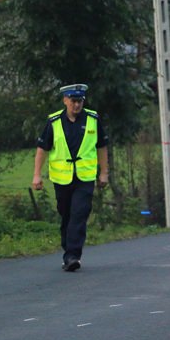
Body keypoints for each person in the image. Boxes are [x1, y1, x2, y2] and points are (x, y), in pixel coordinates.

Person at [32, 84, 109, 272]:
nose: (77, 105)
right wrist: (36, 175)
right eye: (73, 101)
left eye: (80, 101)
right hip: (62, 178)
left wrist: (104, 172)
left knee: (79, 213)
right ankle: (68, 249)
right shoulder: (54, 121)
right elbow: (42, 149)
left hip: (85, 177)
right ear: (65, 100)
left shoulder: (92, 119)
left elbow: (102, 146)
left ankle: (73, 255)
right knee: (66, 214)